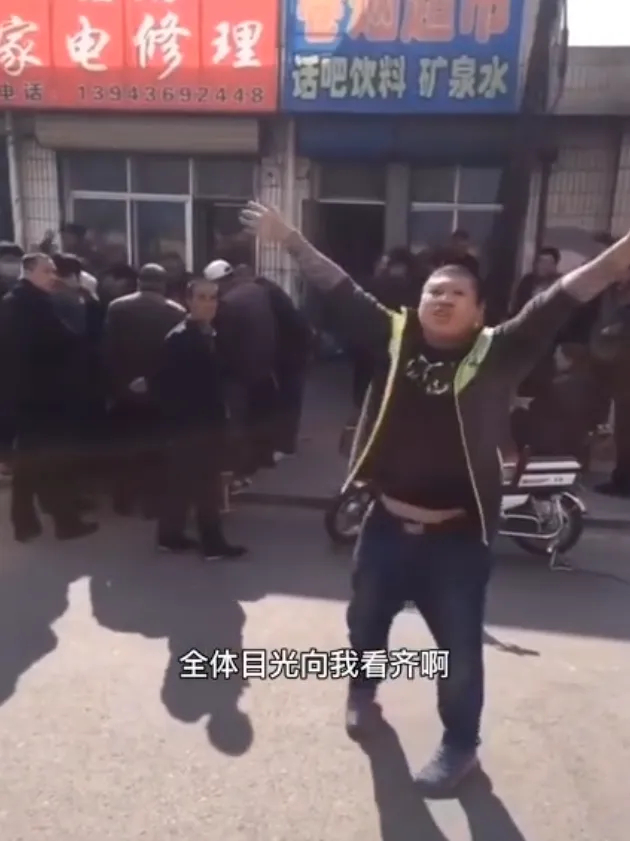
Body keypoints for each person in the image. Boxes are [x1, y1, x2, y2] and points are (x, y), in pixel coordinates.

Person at [239, 200, 630, 794]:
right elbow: (339, 287)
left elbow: (562, 298)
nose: (442, 299)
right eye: (433, 291)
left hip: (457, 536)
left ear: (479, 312)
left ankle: (460, 746)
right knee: (365, 621)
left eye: (456, 293)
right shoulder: (394, 338)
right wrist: (291, 239)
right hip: (385, 524)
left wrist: (616, 259)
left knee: (459, 651)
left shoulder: (500, 351)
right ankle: (362, 690)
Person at [0, 253, 99, 541]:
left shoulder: (12, 301)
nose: (53, 276)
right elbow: (63, 340)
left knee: (29, 461)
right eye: (47, 270)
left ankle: (26, 523)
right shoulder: (36, 304)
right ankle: (65, 523)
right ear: (28, 270)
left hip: (22, 394)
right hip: (43, 395)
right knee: (52, 460)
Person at [153, 275, 247, 560]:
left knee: (182, 483)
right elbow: (168, 386)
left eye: (213, 298)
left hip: (203, 422)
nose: (208, 304)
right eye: (202, 298)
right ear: (188, 301)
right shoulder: (180, 339)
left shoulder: (210, 334)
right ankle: (212, 544)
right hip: (192, 425)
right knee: (206, 487)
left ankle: (170, 536)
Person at [102, 263, 185, 517]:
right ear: (163, 284)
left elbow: (108, 351)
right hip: (159, 392)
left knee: (124, 448)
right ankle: (153, 504)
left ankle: (123, 501)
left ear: (139, 282)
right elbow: (176, 358)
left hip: (124, 391)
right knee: (156, 449)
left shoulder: (117, 308)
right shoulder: (176, 312)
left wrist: (117, 385)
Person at [204, 258, 278, 483]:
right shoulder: (257, 292)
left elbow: (225, 342)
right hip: (262, 365)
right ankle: (261, 458)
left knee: (236, 422)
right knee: (258, 417)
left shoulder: (228, 303)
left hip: (238, 371)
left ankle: (239, 470)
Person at [254, 273, 312, 459]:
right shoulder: (275, 295)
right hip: (295, 350)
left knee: (290, 397)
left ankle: (286, 445)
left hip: (292, 353)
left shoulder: (270, 298)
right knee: (290, 397)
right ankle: (285, 442)